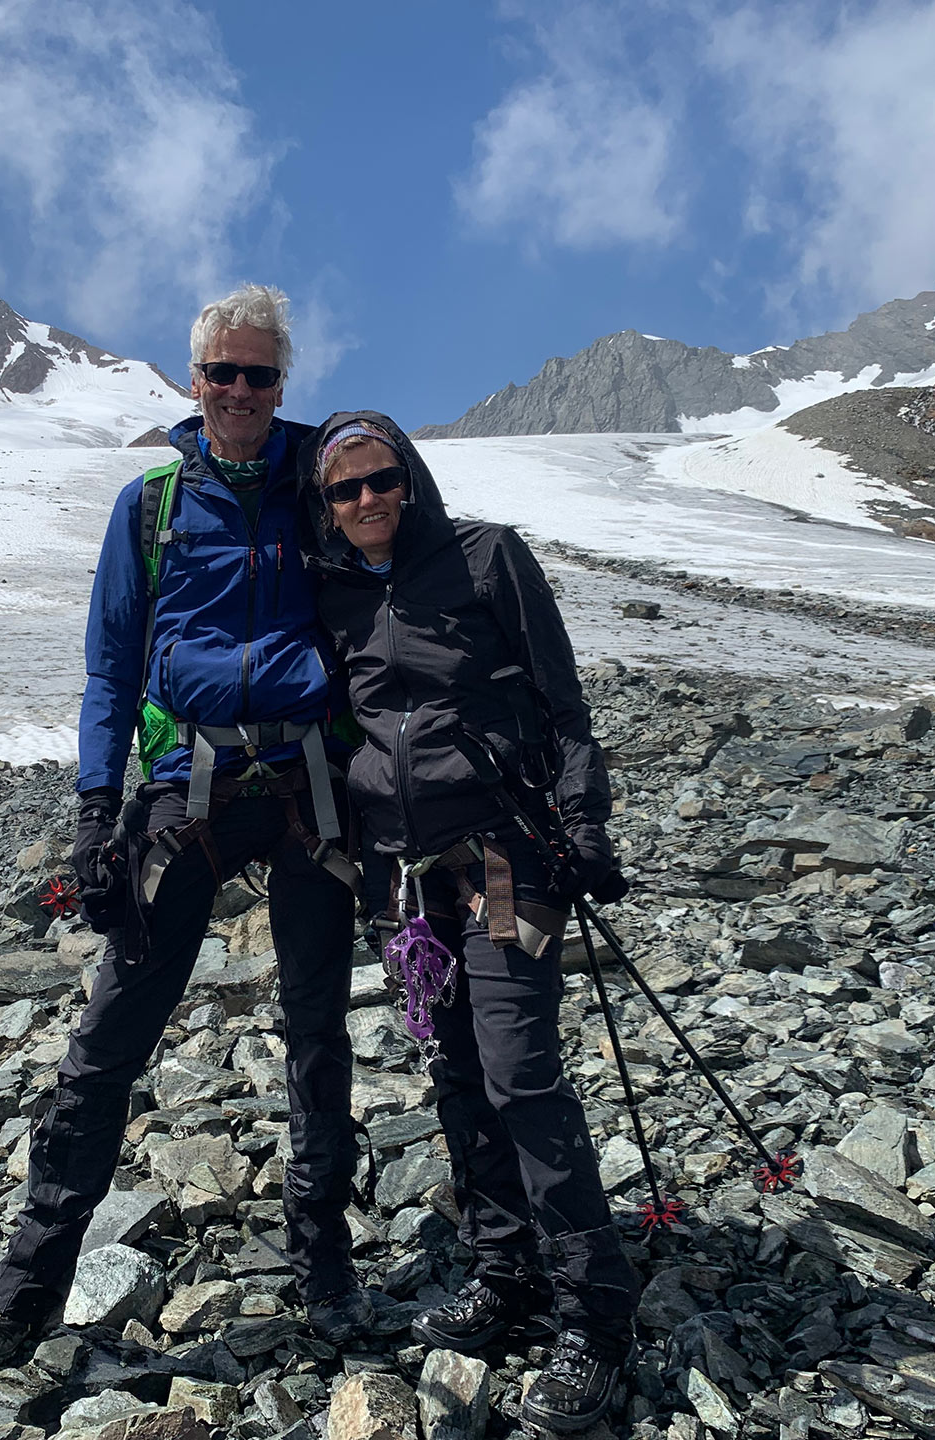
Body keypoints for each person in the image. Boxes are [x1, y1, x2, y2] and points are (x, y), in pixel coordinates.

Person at [0, 286, 370, 1369]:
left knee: (318, 1033)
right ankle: (29, 1290)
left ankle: (325, 1272)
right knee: (106, 1044)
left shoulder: (324, 487)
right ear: (193, 380)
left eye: (259, 375)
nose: (238, 392)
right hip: (188, 788)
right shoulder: (152, 506)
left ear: (284, 383)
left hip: (313, 786)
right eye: (222, 373)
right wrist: (96, 806)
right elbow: (110, 666)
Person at [299, 412, 636, 1433]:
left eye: (379, 479)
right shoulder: (338, 593)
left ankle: (597, 1315)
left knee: (520, 1070)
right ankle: (504, 1272)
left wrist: (584, 825)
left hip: (504, 855)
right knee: (454, 1070)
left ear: (411, 476)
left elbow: (563, 704)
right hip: (409, 880)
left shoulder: (488, 558)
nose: (365, 501)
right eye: (343, 490)